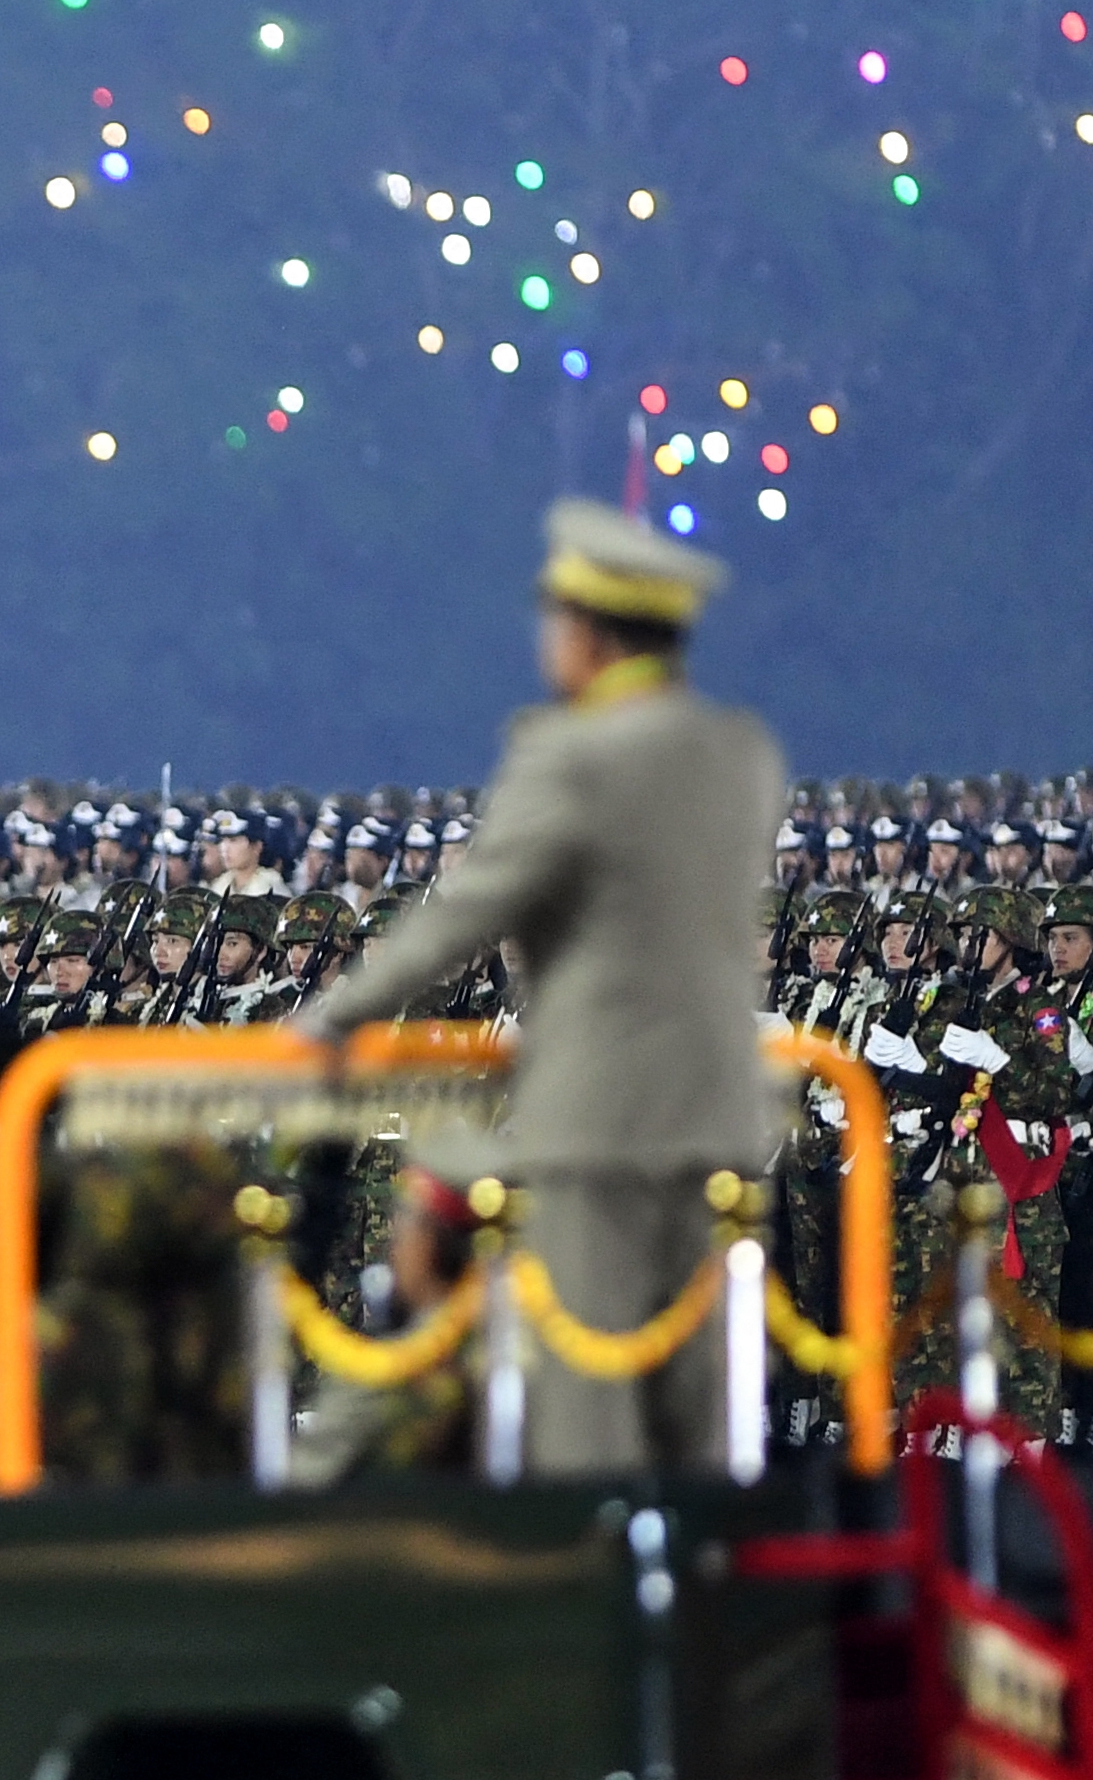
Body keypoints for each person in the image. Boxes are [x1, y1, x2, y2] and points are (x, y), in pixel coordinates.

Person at [294, 498, 785, 1480]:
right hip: (722, 1110)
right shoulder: (738, 750)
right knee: (702, 1414)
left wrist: (333, 1013)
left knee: (589, 1408)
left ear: (588, 635)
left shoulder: (574, 755)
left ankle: (601, 1613)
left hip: (600, 1120)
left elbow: (462, 913)